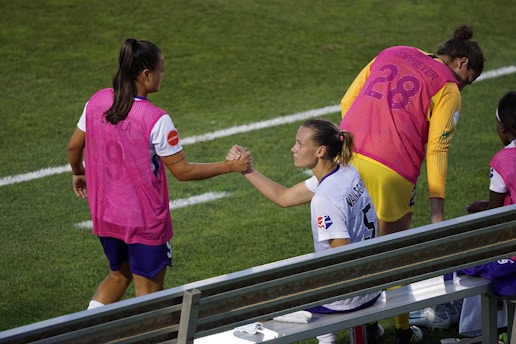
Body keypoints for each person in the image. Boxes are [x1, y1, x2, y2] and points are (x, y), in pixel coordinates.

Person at [67, 38, 251, 311]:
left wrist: (77, 172)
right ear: (145, 74)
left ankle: (85, 334)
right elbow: (182, 171)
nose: (163, 75)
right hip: (143, 223)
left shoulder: (97, 100)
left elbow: (74, 145)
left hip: (106, 214)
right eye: (161, 70)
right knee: (149, 295)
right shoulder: (154, 118)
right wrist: (229, 167)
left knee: (118, 276)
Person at [339, 25, 485, 343]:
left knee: (355, 245)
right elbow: (437, 148)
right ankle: (403, 331)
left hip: (347, 155)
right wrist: (436, 210)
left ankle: (363, 329)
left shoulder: (392, 51)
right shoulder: (448, 87)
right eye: (468, 79)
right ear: (461, 63)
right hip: (393, 168)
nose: (464, 87)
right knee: (395, 252)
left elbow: (347, 101)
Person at [228, 119, 383, 344]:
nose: (294, 148)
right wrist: (247, 170)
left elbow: (343, 257)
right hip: (371, 286)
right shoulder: (346, 172)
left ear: (320, 151)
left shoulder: (325, 198)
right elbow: (284, 197)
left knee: (259, 300)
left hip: (346, 297)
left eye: (300, 144)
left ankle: (327, 338)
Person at [458, 91, 516, 339]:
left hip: (512, 257)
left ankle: (473, 328)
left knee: (466, 255)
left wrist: (487, 207)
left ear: (503, 129)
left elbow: (494, 219)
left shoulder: (504, 159)